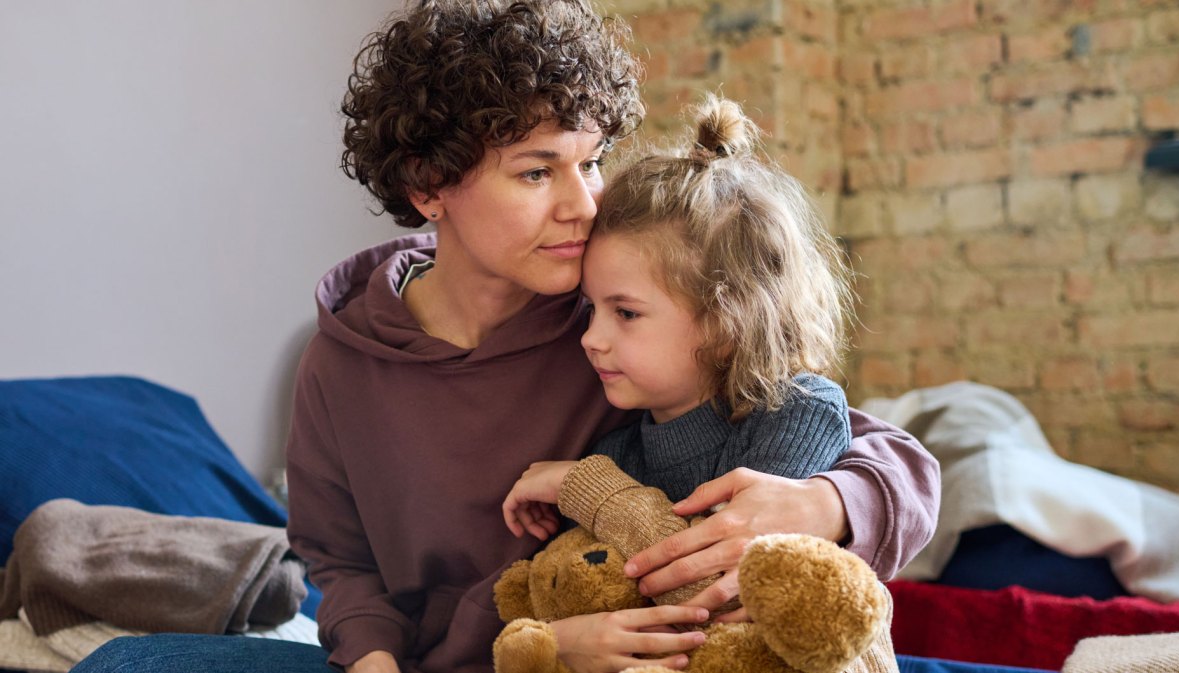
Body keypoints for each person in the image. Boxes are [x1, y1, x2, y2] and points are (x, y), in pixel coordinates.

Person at [71, 2, 939, 673]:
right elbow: (336, 559)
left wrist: (825, 503)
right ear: (429, 186)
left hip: (625, 652)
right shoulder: (341, 359)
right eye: (537, 171)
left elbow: (879, 450)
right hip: (457, 659)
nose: (584, 203)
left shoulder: (615, 316)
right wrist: (379, 660)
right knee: (127, 662)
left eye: (591, 160)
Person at [502, 96, 859, 621]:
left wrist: (582, 487)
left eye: (625, 313)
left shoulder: (799, 413)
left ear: (724, 323)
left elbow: (725, 590)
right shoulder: (619, 451)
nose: (590, 338)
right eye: (592, 309)